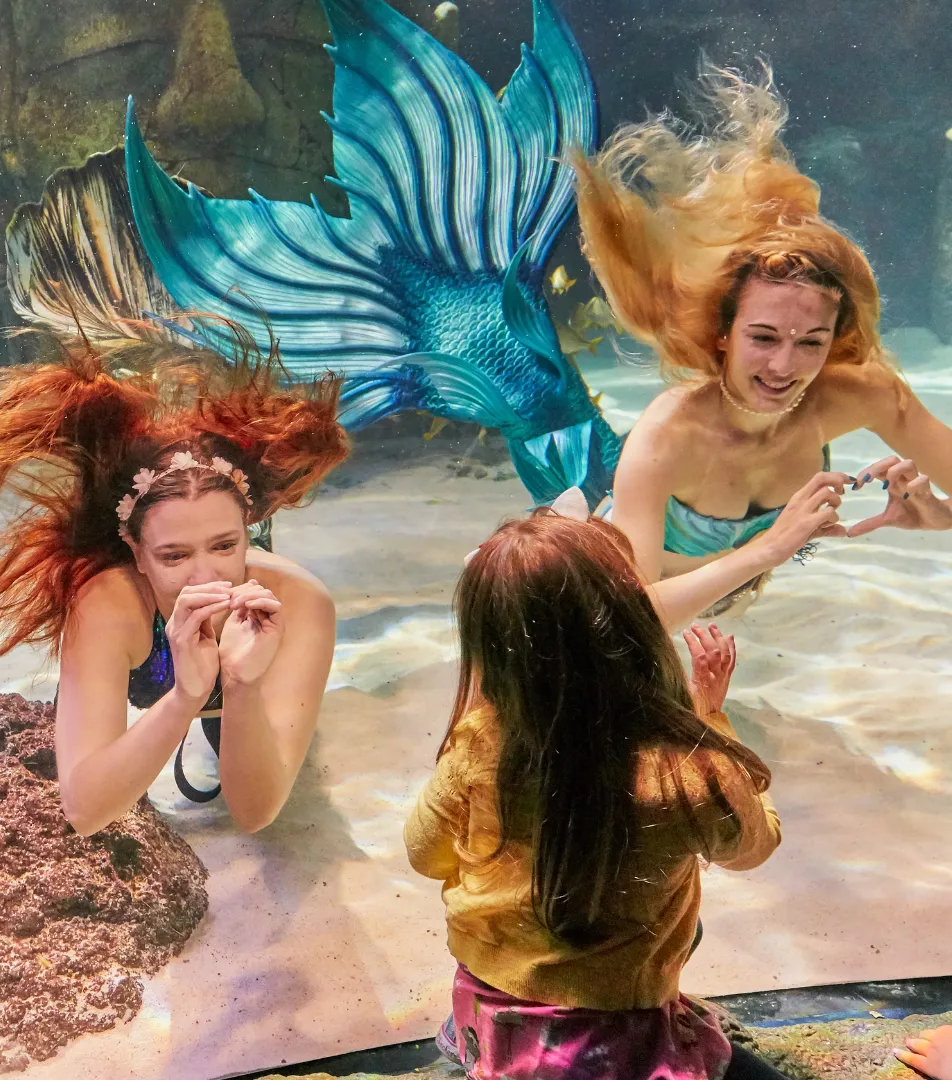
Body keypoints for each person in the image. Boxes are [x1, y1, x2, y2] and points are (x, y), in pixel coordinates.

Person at [405, 499, 789, 1079]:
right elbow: (755, 845)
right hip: (611, 1040)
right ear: (635, 626)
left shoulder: (476, 744)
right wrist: (711, 717)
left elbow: (423, 855)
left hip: (491, 1008)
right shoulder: (690, 768)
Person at [0, 322, 347, 835]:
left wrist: (240, 686)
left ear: (248, 536)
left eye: (226, 546)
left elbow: (255, 814)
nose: (206, 577)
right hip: (153, 658)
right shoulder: (108, 603)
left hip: (244, 684)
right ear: (137, 555)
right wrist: (185, 697)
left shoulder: (297, 602)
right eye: (173, 557)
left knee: (238, 745)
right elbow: (85, 810)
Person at [572, 66, 952, 628]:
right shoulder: (667, 437)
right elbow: (631, 618)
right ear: (722, 333)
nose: (784, 366)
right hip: (606, 617)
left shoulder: (859, 395)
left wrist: (940, 516)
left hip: (718, 612)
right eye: (763, 337)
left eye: (812, 342)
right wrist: (773, 547)